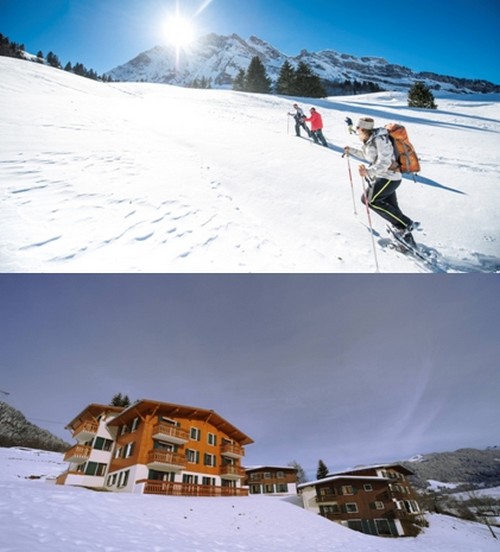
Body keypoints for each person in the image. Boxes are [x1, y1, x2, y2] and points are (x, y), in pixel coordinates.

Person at [344, 117, 418, 246]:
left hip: (390, 177)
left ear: (363, 129)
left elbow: (385, 162)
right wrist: (351, 150)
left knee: (368, 200)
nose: (356, 130)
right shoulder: (370, 140)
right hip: (383, 177)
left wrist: (368, 172)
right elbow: (368, 156)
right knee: (393, 210)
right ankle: (408, 241)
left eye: (358, 128)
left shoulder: (380, 139)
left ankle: (407, 224)